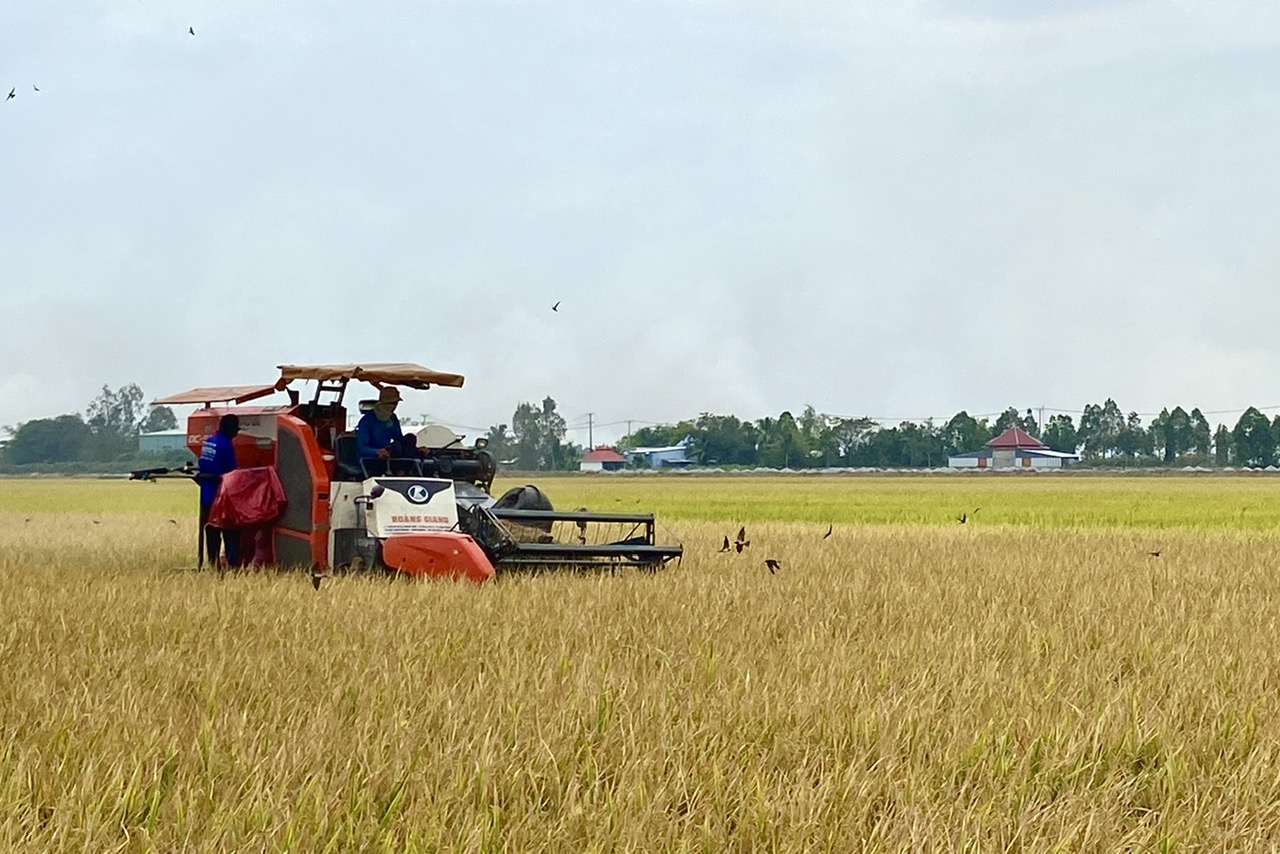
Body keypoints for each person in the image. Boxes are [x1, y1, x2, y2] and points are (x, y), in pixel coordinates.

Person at [198, 414, 241, 568]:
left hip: (206, 496)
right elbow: (232, 471)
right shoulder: (226, 445)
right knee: (231, 532)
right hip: (221, 497)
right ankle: (233, 565)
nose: (236, 433)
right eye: (236, 430)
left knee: (211, 532)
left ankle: (213, 563)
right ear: (230, 429)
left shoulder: (209, 442)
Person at [355, 386, 419, 472]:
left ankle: (404, 472)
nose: (394, 407)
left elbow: (400, 440)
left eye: (396, 404)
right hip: (371, 459)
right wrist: (377, 452)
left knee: (410, 437)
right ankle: (401, 472)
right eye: (391, 403)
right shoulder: (367, 420)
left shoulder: (393, 418)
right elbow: (362, 447)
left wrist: (416, 450)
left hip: (389, 455)